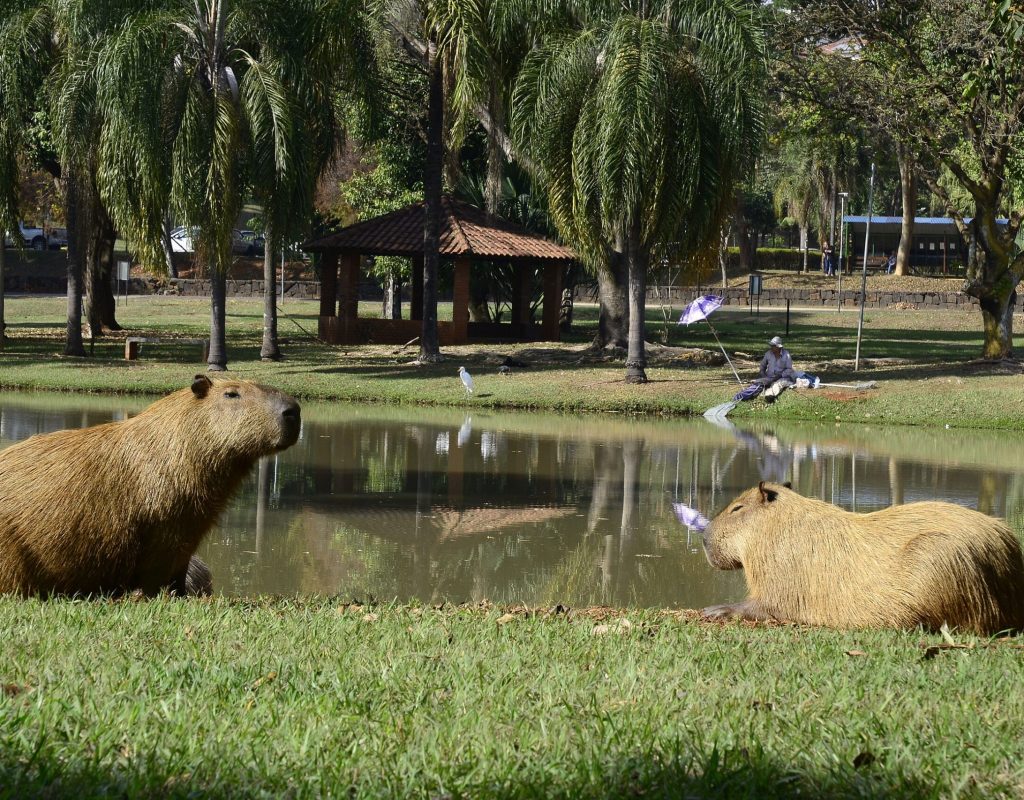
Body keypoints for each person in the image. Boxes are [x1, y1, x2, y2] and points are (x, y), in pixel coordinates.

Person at [758, 336, 797, 403]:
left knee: (778, 384)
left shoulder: (786, 355)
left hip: (782, 377)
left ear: (779, 347)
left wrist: (780, 375)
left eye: (773, 346)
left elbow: (789, 369)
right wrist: (763, 374)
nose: (771, 347)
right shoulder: (768, 353)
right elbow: (762, 366)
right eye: (771, 345)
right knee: (758, 383)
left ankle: (769, 396)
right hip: (769, 376)